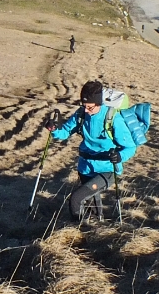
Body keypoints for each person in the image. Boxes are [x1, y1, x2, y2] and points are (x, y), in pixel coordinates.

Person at [48, 80, 134, 222]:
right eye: (84, 106)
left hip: (107, 169)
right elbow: (64, 133)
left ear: (99, 103)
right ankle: (96, 228)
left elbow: (130, 147)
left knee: (76, 198)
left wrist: (119, 156)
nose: (86, 110)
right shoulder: (81, 114)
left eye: (90, 107)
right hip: (85, 168)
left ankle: (76, 231)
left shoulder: (113, 119)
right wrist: (54, 130)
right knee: (93, 205)